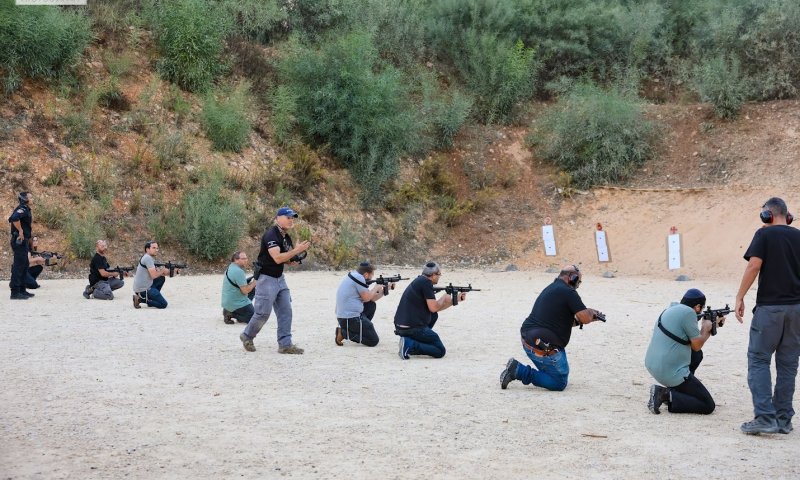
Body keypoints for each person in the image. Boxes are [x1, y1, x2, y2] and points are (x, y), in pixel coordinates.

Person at [734, 197, 800, 435]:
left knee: (759, 359)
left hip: (770, 309)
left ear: (767, 215)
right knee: (788, 365)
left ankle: (764, 417)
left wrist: (740, 296)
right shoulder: (799, 236)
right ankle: (783, 420)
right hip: (797, 310)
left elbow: (753, 266)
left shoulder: (764, 235)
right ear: (787, 216)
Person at [500, 264, 604, 391]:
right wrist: (591, 312)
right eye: (579, 281)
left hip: (529, 339)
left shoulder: (553, 288)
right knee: (558, 382)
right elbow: (585, 317)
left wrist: (584, 319)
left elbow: (562, 321)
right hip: (541, 344)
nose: (578, 285)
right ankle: (518, 370)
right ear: (573, 278)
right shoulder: (568, 292)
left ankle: (518, 369)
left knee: (559, 373)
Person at [239, 207, 310, 354]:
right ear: (277, 218)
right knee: (263, 313)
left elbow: (284, 257)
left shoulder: (285, 236)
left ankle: (285, 344)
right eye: (288, 217)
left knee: (286, 311)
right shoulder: (271, 235)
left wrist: (292, 260)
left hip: (279, 278)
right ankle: (247, 335)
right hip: (266, 279)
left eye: (292, 218)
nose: (291, 220)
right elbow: (277, 258)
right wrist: (296, 251)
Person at [645, 288, 717, 415]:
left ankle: (677, 392)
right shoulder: (689, 313)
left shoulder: (671, 309)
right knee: (708, 405)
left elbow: (695, 349)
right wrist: (706, 328)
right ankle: (665, 394)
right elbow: (697, 345)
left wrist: (712, 326)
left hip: (653, 364)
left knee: (697, 356)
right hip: (668, 371)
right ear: (697, 307)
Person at [393, 262, 465, 360]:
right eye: (439, 275)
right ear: (433, 275)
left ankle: (409, 341)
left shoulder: (420, 281)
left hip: (401, 326)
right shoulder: (426, 283)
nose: (439, 277)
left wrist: (454, 301)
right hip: (411, 327)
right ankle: (410, 344)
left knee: (433, 315)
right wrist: (444, 297)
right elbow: (434, 307)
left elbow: (435, 309)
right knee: (440, 351)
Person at [334, 261, 393, 347]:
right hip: (349, 319)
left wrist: (385, 289)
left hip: (344, 317)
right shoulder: (359, 278)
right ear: (366, 274)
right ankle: (344, 333)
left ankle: (360, 330)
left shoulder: (354, 275)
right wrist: (376, 287)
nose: (372, 277)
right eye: (371, 275)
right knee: (373, 341)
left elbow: (371, 298)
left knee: (371, 305)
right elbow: (367, 298)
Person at [132, 241, 176, 309]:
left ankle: (152, 300)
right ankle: (140, 299)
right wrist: (163, 270)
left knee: (161, 278)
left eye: (157, 248)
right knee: (163, 304)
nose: (156, 250)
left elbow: (161, 273)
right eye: (154, 248)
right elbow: (154, 276)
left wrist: (175, 271)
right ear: (147, 249)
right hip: (143, 289)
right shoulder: (148, 258)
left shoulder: (148, 257)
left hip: (141, 287)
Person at [8, 191, 33, 300]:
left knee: (24, 264)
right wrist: (21, 231)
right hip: (19, 241)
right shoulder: (22, 209)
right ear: (25, 199)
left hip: (24, 241)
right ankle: (15, 292)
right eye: (30, 197)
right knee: (18, 266)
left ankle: (22, 290)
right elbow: (14, 218)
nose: (32, 199)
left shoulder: (26, 209)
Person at [221, 251, 257, 325]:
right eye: (243, 259)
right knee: (253, 318)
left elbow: (237, 283)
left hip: (228, 302)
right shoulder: (238, 271)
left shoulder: (230, 267)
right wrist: (255, 281)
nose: (246, 260)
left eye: (246, 258)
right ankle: (231, 314)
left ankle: (229, 310)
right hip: (236, 303)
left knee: (252, 287)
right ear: (236, 260)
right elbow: (245, 291)